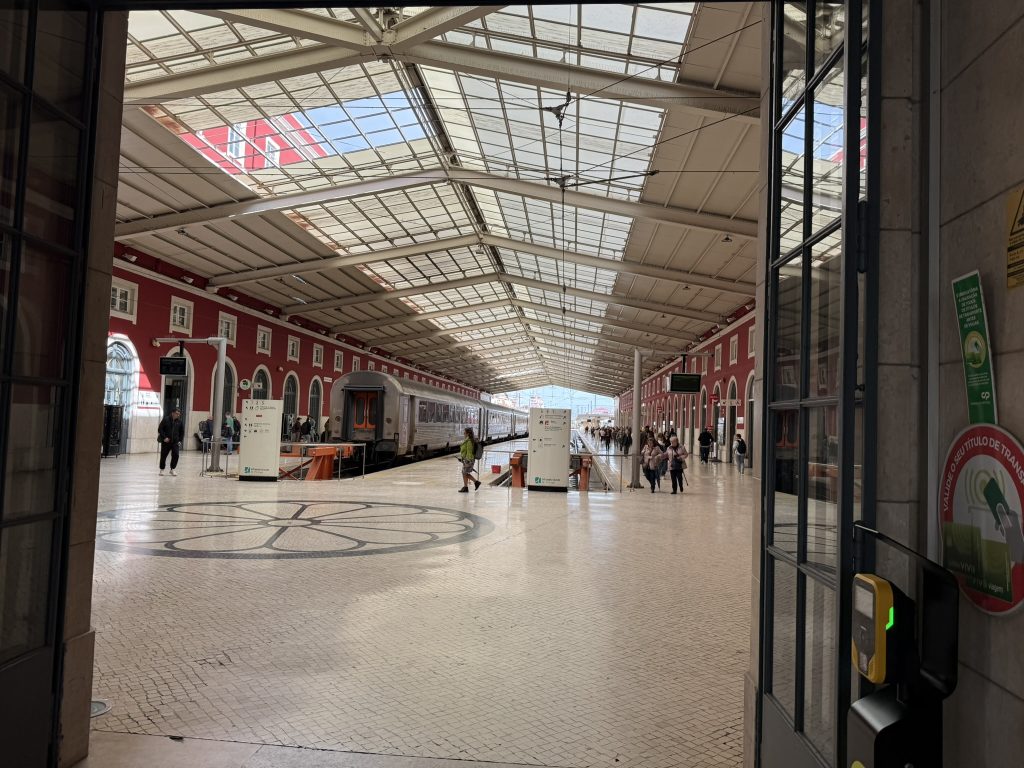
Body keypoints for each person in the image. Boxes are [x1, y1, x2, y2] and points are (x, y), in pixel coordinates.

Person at [158, 407, 184, 476]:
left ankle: (172, 469)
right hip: (166, 442)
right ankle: (162, 469)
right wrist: (164, 437)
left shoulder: (180, 422)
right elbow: (160, 429)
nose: (178, 415)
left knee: (176, 455)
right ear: (172, 413)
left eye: (179, 414)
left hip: (175, 442)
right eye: (177, 413)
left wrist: (180, 441)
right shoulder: (166, 419)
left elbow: (182, 432)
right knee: (163, 456)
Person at [458, 427, 481, 492]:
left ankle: (475, 482)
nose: (464, 434)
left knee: (464, 473)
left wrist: (465, 460)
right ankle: (467, 486)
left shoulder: (469, 442)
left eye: (464, 432)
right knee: (464, 473)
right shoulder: (470, 440)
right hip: (469, 460)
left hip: (469, 460)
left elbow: (468, 452)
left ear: (468, 433)